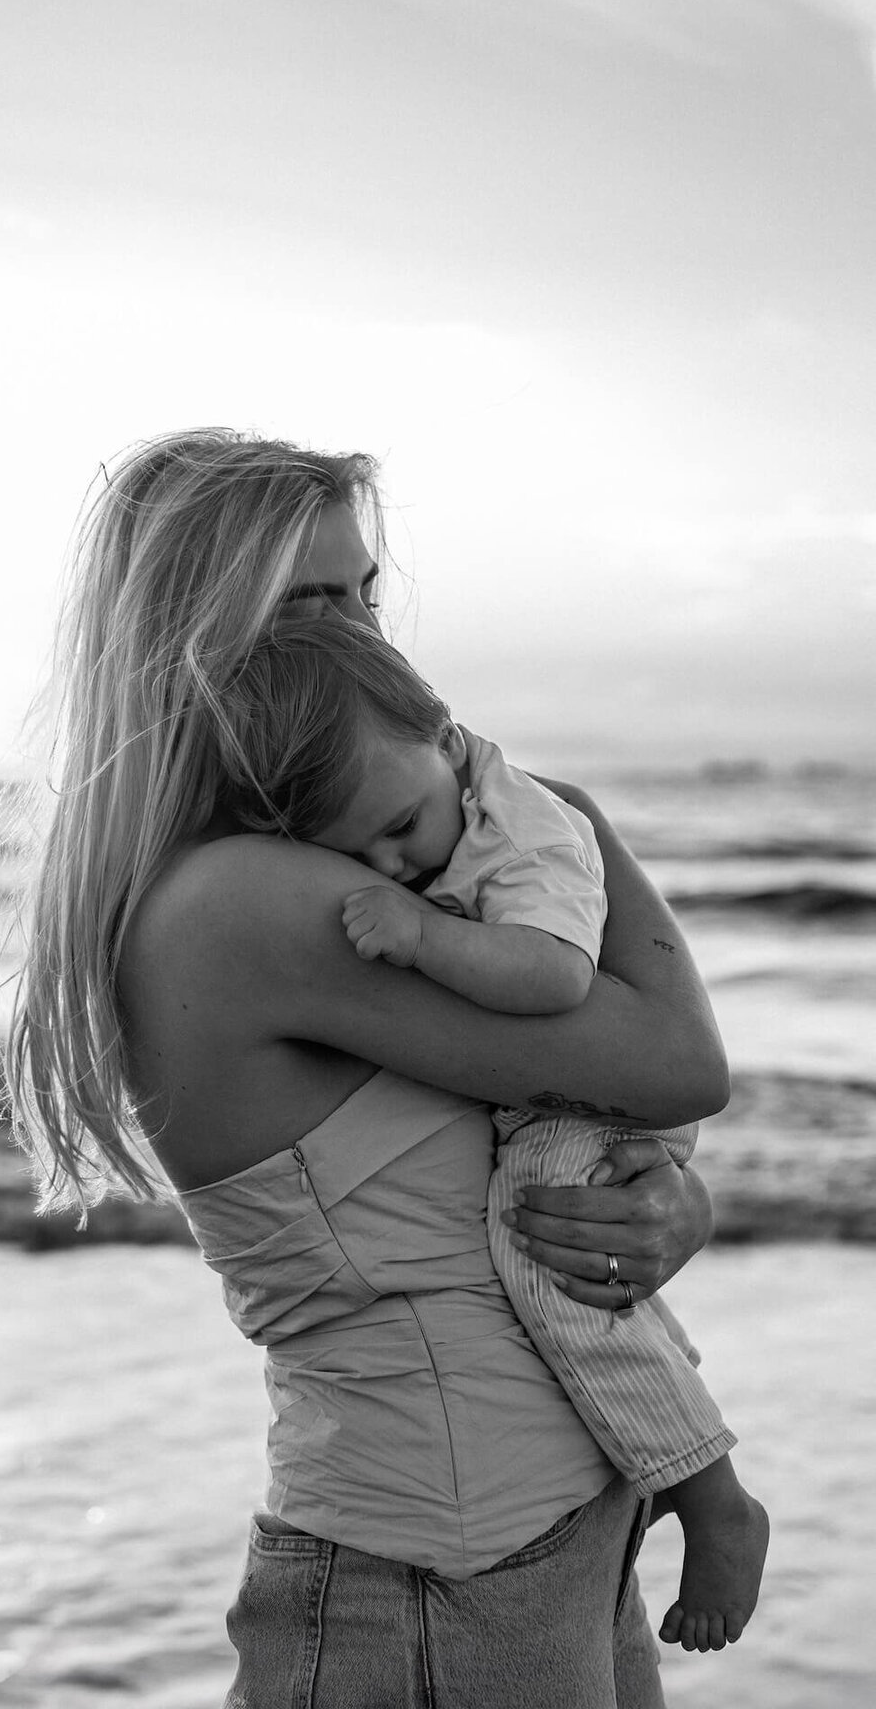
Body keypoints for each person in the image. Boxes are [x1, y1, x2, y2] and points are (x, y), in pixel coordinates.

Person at [3, 429, 732, 1705]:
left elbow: (542, 1132)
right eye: (309, 601)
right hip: (432, 1584)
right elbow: (673, 1061)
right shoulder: (253, 902)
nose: (368, 634)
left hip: (532, 1551)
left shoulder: (354, 869)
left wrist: (664, 1203)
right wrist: (568, 817)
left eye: (366, 591)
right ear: (195, 630)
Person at [216, 617, 769, 1657]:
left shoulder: (523, 829)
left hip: (571, 1108)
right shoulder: (416, 804)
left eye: (400, 828)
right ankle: (653, 1436)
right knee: (577, 1264)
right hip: (456, 1528)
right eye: (362, 851)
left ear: (443, 733)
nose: (388, 862)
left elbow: (556, 976)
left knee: (545, 1258)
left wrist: (425, 935)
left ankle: (711, 1490)